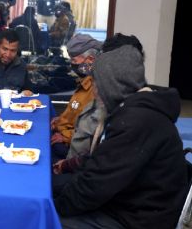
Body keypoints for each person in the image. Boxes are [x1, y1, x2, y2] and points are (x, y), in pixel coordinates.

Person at [54, 44, 188, 229]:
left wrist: (53, 208)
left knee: (48, 220)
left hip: (138, 218)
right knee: (54, 187)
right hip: (132, 201)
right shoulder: (135, 111)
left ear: (111, 86)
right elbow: (102, 162)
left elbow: (95, 186)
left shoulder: (136, 122)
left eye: (97, 85)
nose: (94, 92)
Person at [53, 33, 145, 175]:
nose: (97, 89)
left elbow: (102, 166)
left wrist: (66, 166)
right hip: (81, 166)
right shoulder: (119, 103)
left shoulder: (126, 116)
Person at [51, 33, 101, 163]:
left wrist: (65, 137)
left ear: (90, 60)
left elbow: (90, 130)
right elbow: (75, 112)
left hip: (70, 150)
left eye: (74, 61)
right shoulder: (83, 81)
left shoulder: (95, 88)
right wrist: (60, 120)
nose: (72, 65)